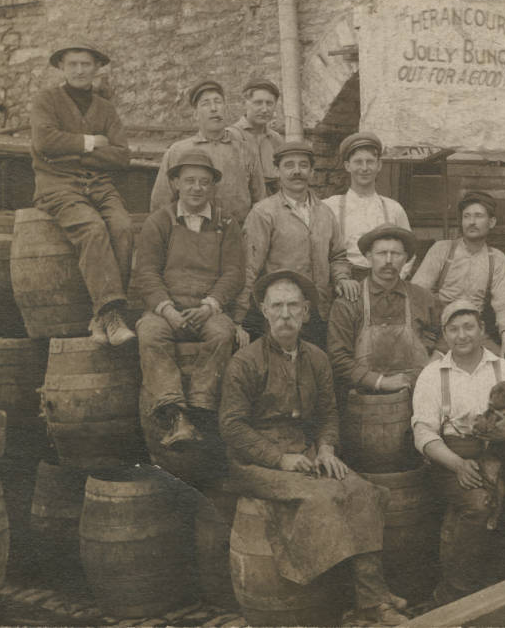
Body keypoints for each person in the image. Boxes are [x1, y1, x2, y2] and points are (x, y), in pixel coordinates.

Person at [219, 270, 408, 626]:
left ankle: (372, 598)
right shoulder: (244, 362)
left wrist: (325, 449)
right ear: (263, 311)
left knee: (361, 491)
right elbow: (232, 428)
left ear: (306, 312)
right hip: (255, 463)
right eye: (277, 306)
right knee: (321, 498)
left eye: (293, 306)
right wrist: (279, 459)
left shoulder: (317, 358)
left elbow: (328, 414)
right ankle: (351, 601)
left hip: (305, 453)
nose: (285, 315)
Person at [411, 299, 505, 604]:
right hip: (452, 458)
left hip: (504, 455)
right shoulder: (433, 374)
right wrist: (457, 464)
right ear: (445, 334)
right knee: (479, 504)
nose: (462, 335)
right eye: (454, 329)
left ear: (482, 328)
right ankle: (457, 596)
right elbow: (423, 433)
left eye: (469, 326)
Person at [133, 150, 246, 485]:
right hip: (166, 308)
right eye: (190, 181)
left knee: (222, 334)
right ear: (175, 183)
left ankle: (198, 408)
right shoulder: (160, 221)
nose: (197, 188)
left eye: (204, 182)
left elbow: (234, 272)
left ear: (212, 187)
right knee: (150, 334)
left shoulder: (226, 224)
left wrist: (211, 305)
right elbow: (147, 273)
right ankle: (174, 414)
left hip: (207, 308)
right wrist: (166, 309)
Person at [29, 41, 135, 346]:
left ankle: (99, 317)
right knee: (92, 228)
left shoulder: (106, 108)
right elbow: (45, 143)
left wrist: (72, 152)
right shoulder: (46, 100)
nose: (79, 70)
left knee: (124, 227)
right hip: (57, 184)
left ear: (97, 69)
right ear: (62, 67)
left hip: (100, 185)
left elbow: (122, 156)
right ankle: (112, 316)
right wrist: (92, 143)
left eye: (85, 64)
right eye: (73, 64)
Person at [236, 139, 357, 349]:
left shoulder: (325, 212)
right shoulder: (264, 212)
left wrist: (342, 278)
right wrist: (238, 317)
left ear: (311, 172)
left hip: (317, 311)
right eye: (289, 165)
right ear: (277, 171)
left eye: (303, 165)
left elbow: (337, 256)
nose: (297, 171)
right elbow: (249, 267)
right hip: (277, 313)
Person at [327, 224, 438, 397]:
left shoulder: (422, 298)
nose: (388, 260)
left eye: (396, 254)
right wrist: (379, 382)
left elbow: (445, 334)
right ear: (368, 257)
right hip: (365, 399)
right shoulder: (349, 302)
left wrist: (430, 363)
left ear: (406, 259)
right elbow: (338, 358)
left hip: (417, 395)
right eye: (381, 253)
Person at [411, 191, 505, 363]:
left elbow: (503, 305)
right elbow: (415, 295)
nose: (472, 222)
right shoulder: (442, 250)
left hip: (473, 331)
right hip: (439, 330)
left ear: (491, 222)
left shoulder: (496, 258)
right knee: (427, 374)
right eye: (466, 216)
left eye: (478, 216)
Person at [150, 80, 265, 224]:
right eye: (205, 104)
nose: (213, 108)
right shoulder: (177, 151)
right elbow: (161, 204)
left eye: (218, 102)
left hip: (236, 234)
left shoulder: (246, 151)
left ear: (226, 109)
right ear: (196, 115)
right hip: (192, 234)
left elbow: (260, 202)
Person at [323, 132, 414, 281]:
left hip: (385, 280)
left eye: (370, 162)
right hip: (344, 282)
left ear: (379, 165)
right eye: (358, 162)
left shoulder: (393, 208)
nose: (364, 168)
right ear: (347, 166)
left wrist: (396, 279)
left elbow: (409, 250)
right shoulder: (329, 206)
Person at [228, 78, 284, 196]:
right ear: (245, 104)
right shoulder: (231, 136)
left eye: (269, 103)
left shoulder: (276, 139)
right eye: (258, 103)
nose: (264, 109)